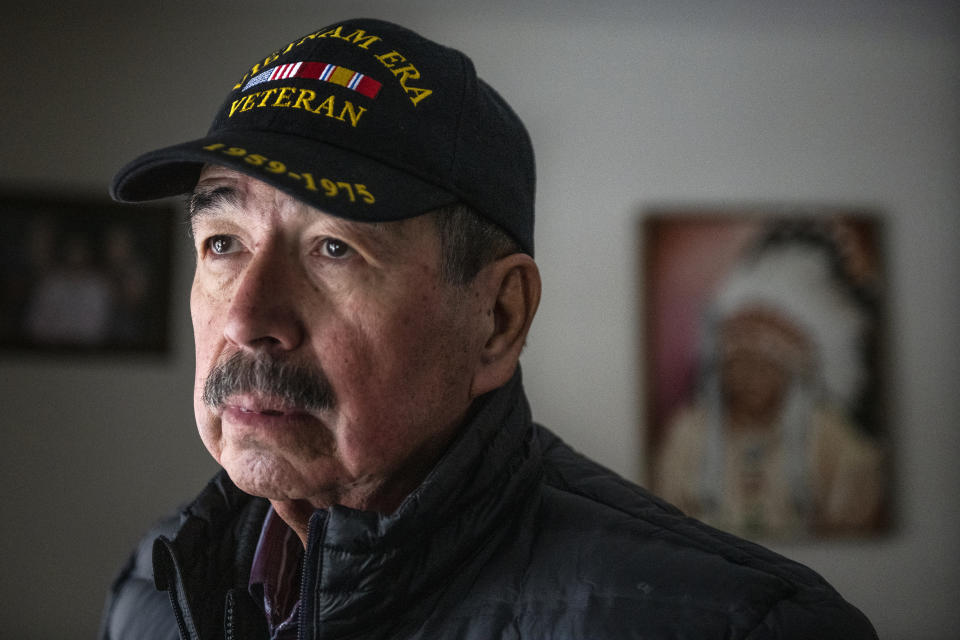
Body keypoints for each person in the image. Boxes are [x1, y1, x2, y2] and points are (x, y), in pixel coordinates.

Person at [100, 18, 877, 639]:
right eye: (223, 243)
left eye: (334, 248)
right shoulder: (155, 586)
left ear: (498, 321)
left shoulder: (742, 624)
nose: (245, 317)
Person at [654, 223, 886, 539]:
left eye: (764, 367)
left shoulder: (833, 441)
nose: (748, 377)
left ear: (791, 376)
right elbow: (669, 521)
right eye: (736, 365)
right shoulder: (688, 435)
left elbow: (852, 521)